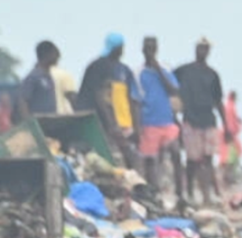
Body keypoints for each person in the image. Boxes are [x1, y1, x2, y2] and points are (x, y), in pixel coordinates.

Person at [174, 38, 227, 206]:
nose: (202, 51)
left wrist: (227, 125)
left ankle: (208, 193)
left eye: (205, 49)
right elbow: (169, 85)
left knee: (208, 158)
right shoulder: (184, 71)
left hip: (208, 120)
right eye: (200, 48)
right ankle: (189, 192)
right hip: (190, 119)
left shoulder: (212, 74)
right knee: (191, 160)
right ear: (195, 49)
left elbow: (218, 101)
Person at [78, 33, 141, 166]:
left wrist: (135, 126)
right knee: (108, 157)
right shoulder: (99, 66)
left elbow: (131, 99)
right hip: (102, 122)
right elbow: (99, 96)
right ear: (119, 48)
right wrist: (111, 124)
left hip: (123, 122)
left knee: (130, 156)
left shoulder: (124, 70)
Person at [135, 36, 182, 200]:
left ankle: (180, 194)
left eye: (152, 48)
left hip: (167, 121)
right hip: (149, 122)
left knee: (175, 153)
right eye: (147, 48)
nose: (150, 51)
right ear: (142, 50)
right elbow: (136, 101)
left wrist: (158, 70)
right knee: (150, 161)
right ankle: (154, 195)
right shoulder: (138, 73)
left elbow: (174, 90)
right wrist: (137, 127)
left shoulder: (165, 69)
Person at [18, 41, 61, 120]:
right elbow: (23, 100)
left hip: (50, 123)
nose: (58, 56)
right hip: (39, 124)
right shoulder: (33, 77)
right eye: (54, 53)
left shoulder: (48, 77)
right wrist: (29, 122)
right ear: (47, 54)